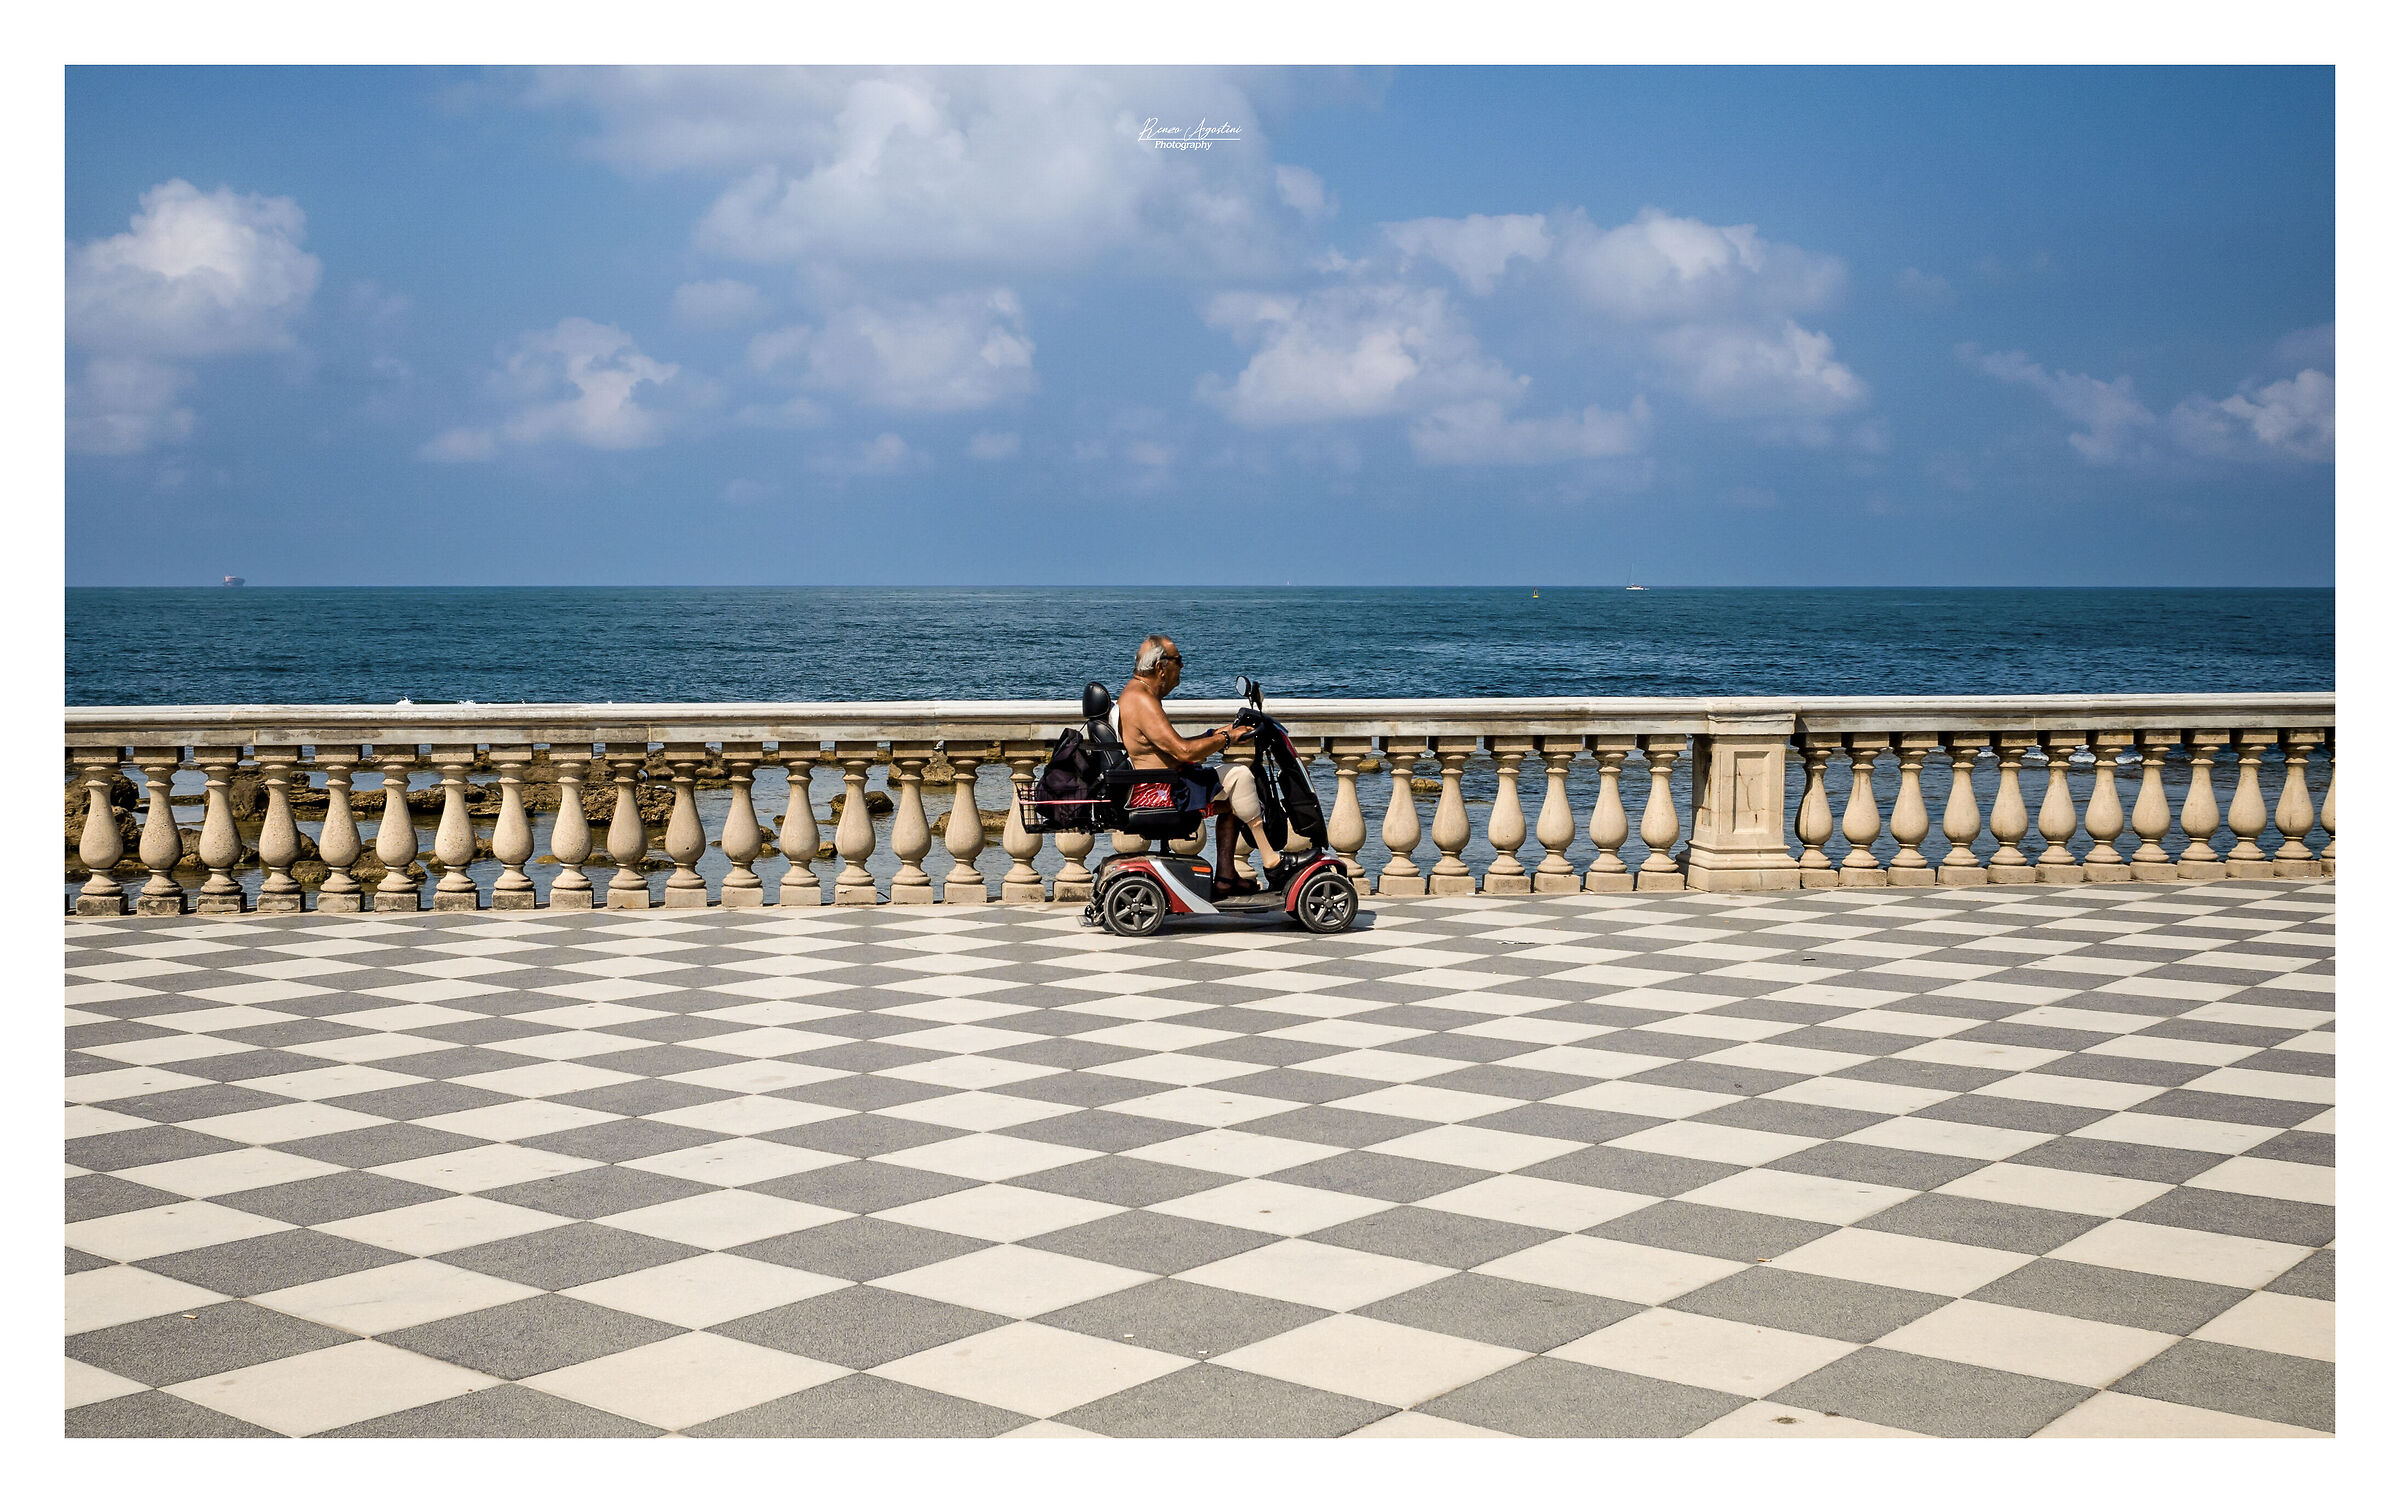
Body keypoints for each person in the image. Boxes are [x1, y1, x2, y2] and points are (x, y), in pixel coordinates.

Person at [1118, 633, 1286, 900]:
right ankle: (1271, 860)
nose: (1182, 666)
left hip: (1161, 782)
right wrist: (1226, 738)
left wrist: (1216, 734)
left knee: (1233, 800)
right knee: (1240, 775)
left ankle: (1226, 876)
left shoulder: (1135, 692)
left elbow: (1168, 746)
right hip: (1162, 790)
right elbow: (1183, 752)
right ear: (1161, 667)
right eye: (1178, 660)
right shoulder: (1142, 699)